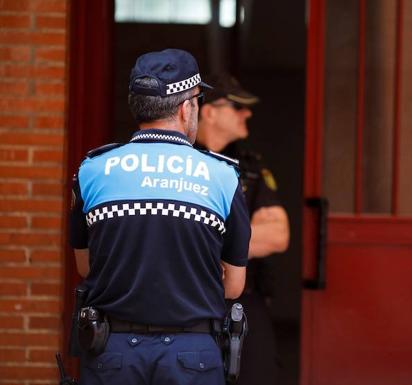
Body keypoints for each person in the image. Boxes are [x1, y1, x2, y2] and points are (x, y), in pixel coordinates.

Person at [69, 49, 250, 385]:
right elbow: (234, 285)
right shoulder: (223, 176)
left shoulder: (91, 170)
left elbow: (86, 267)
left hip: (112, 352)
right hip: (192, 355)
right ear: (187, 108)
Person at [195, 73, 290, 385]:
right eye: (237, 107)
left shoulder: (248, 167)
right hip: (187, 298)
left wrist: (197, 236)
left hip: (243, 301)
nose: (247, 113)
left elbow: (277, 234)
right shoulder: (177, 163)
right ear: (208, 111)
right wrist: (242, 234)